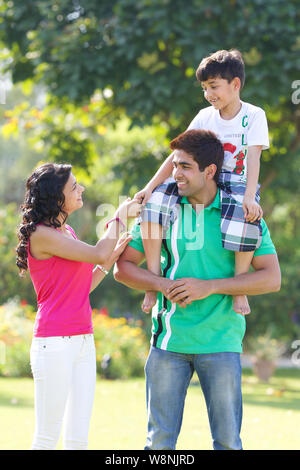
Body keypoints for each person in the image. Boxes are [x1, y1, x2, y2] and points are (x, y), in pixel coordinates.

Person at [114, 129, 281, 450]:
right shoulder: (161, 211)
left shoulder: (243, 215)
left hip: (221, 342)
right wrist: (161, 284)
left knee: (228, 442)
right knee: (159, 443)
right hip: (167, 344)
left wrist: (211, 287)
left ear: (210, 171)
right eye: (175, 165)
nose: (176, 173)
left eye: (186, 167)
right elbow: (124, 268)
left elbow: (271, 278)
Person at [135, 49, 269, 317]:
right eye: (205, 88)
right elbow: (178, 154)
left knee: (243, 217)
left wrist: (250, 195)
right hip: (201, 177)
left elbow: (253, 157)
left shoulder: (253, 115)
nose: (209, 94)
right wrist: (150, 187)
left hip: (238, 181)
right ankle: (152, 280)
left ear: (235, 84)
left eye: (214, 87)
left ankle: (238, 288)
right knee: (154, 205)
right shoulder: (205, 116)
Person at [16, 162, 141, 450]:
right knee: (47, 437)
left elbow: (82, 287)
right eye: (74, 186)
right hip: (54, 343)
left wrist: (108, 262)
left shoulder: (67, 232)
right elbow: (98, 251)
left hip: (83, 341)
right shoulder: (42, 235)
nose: (81, 189)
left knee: (77, 439)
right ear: (55, 197)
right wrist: (120, 217)